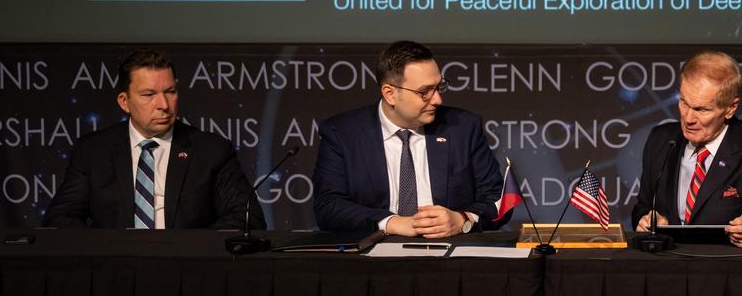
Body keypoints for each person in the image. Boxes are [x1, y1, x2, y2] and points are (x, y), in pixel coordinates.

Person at [43, 48, 262, 229]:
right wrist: (107, 248)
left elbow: (246, 217)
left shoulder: (211, 151)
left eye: (170, 92)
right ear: (124, 101)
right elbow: (61, 218)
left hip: (189, 270)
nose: (164, 105)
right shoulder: (92, 152)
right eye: (149, 95)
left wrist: (194, 249)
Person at [313, 40, 503, 235]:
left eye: (439, 87)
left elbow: (500, 199)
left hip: (448, 255)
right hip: (373, 256)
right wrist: (392, 223)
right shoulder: (342, 134)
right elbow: (328, 207)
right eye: (425, 92)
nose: (438, 99)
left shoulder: (462, 128)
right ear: (390, 94)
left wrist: (463, 219)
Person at [632, 50, 742, 247]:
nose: (688, 118)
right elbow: (642, 207)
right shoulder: (660, 140)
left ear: (730, 108)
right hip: (667, 268)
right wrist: (646, 219)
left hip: (730, 270)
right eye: (684, 102)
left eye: (702, 110)